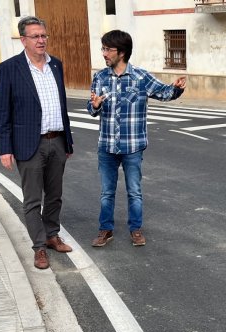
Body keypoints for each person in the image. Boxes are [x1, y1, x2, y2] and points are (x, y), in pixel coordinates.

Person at [87, 30, 186, 247]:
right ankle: (105, 230)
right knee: (106, 192)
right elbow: (91, 108)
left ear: (121, 52)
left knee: (134, 192)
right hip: (107, 146)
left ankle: (136, 230)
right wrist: (94, 106)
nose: (104, 53)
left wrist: (176, 88)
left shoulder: (140, 77)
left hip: (133, 146)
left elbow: (164, 92)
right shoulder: (100, 77)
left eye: (108, 49)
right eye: (103, 48)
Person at [0, 16, 74, 269]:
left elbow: (62, 106)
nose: (41, 40)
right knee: (32, 199)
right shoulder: (10, 68)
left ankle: (52, 235)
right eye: (35, 36)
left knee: (55, 195)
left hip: (57, 140)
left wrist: (68, 142)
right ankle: (39, 247)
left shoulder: (56, 65)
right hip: (29, 144)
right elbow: (3, 111)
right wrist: (5, 148)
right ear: (23, 40)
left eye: (43, 35)